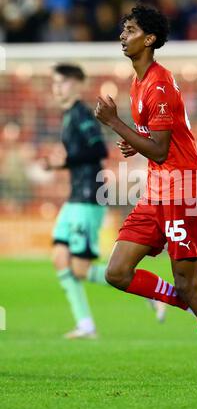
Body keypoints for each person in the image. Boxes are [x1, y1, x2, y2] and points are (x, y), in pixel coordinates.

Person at [94, 4, 197, 385]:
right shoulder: (139, 83)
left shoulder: (160, 84)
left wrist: (115, 123)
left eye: (130, 29)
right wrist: (139, 141)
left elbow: (164, 151)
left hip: (182, 189)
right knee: (116, 272)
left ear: (149, 39)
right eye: (123, 28)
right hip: (157, 190)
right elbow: (158, 142)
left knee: (187, 284)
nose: (122, 34)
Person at [43, 63, 108, 339]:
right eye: (55, 82)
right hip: (74, 197)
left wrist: (67, 161)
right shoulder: (68, 115)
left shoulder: (82, 113)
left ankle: (143, 286)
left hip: (88, 197)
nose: (57, 87)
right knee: (60, 257)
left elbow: (99, 149)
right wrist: (59, 166)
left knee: (80, 269)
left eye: (63, 82)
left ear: (78, 83)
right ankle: (85, 325)